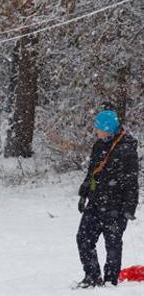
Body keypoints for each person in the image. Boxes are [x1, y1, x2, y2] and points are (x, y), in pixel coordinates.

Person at [76, 109, 139, 288]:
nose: (96, 131)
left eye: (98, 128)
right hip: (95, 202)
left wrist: (129, 208)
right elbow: (92, 173)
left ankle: (111, 281)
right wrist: (84, 194)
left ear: (108, 128)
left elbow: (131, 181)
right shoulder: (98, 145)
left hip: (116, 206)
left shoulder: (126, 148)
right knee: (83, 238)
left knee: (112, 245)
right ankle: (92, 276)